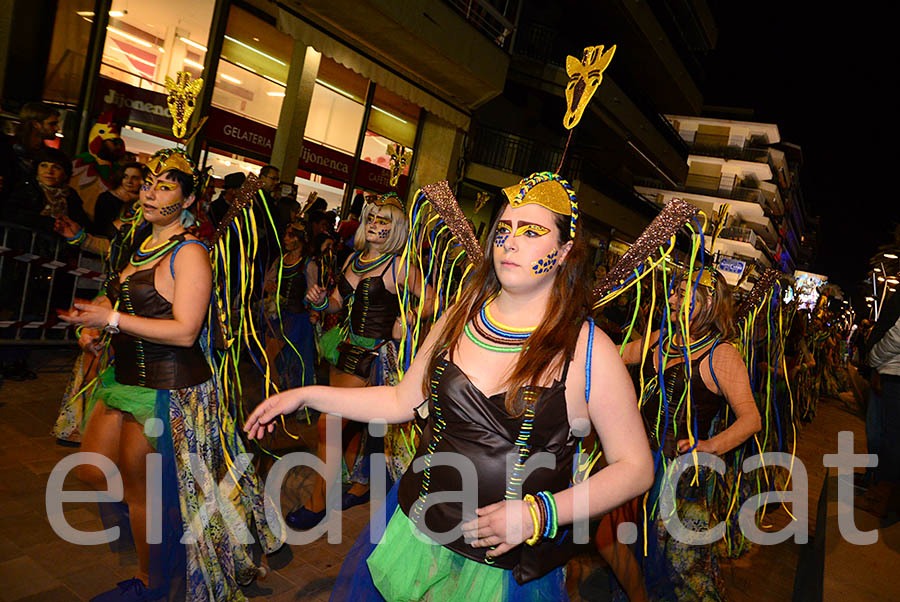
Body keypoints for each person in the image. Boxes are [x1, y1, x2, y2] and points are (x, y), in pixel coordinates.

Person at [245, 173, 655, 600]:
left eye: (532, 231)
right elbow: (401, 399)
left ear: (565, 250)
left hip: (499, 570)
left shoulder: (589, 349)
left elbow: (635, 467)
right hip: (413, 534)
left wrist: (539, 514)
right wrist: (305, 394)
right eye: (504, 229)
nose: (510, 242)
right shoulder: (461, 316)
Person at [59, 148, 280, 602]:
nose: (150, 190)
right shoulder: (141, 244)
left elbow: (184, 331)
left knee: (141, 490)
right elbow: (121, 303)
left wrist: (114, 323)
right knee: (90, 469)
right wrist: (93, 321)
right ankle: (176, 517)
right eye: (148, 182)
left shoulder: (191, 252)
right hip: (124, 379)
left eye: (165, 185)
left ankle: (150, 579)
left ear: (188, 199)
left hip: (167, 387)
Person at [616, 267, 761, 601]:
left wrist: (709, 445)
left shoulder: (721, 354)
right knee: (627, 537)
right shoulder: (660, 338)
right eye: (674, 291)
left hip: (675, 474)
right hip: (635, 458)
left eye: (682, 294)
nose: (671, 299)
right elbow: (616, 355)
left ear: (708, 304)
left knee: (664, 556)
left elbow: (751, 419)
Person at [281, 193, 424, 530]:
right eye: (371, 218)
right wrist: (317, 302)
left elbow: (433, 297)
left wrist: (411, 317)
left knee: (328, 424)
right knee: (352, 424)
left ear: (398, 228)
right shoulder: (354, 260)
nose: (375, 225)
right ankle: (359, 484)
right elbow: (335, 304)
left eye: (384, 221)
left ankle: (318, 503)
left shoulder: (398, 265)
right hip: (345, 349)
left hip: (372, 357)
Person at [263, 220, 317, 391]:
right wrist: (271, 286)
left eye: (290, 235)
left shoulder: (309, 265)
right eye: (286, 234)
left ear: (300, 239)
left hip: (297, 319)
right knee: (274, 358)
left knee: (288, 360)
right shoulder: (281, 260)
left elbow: (314, 294)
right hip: (278, 316)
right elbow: (267, 282)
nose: (285, 238)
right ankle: (277, 395)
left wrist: (315, 313)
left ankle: (279, 397)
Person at [2, 146, 90, 231]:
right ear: (37, 170)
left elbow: (83, 224)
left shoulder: (70, 195)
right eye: (44, 166)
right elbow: (11, 213)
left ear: (65, 175)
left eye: (56, 167)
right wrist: (49, 223)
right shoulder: (25, 189)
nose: (49, 171)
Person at [93, 162, 143, 237]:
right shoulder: (106, 198)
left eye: (135, 178)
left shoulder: (143, 203)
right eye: (125, 176)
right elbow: (101, 228)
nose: (129, 181)